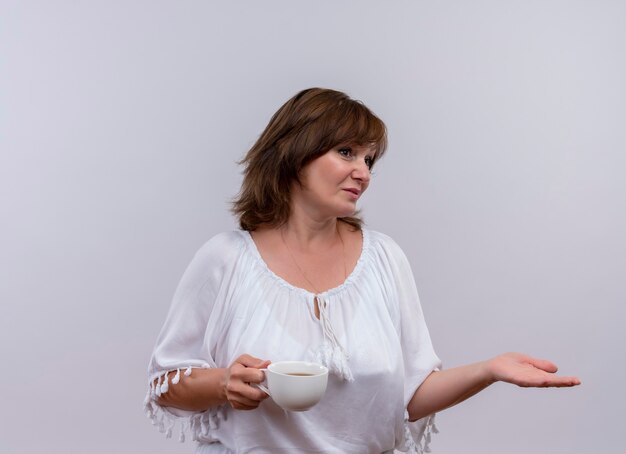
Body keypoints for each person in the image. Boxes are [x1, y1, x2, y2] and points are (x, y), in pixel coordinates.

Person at [144, 88, 580, 453]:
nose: (363, 173)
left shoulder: (385, 259)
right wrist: (223, 383)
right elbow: (165, 384)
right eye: (347, 152)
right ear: (295, 153)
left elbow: (411, 397)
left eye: (370, 160)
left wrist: (490, 369)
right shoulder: (226, 259)